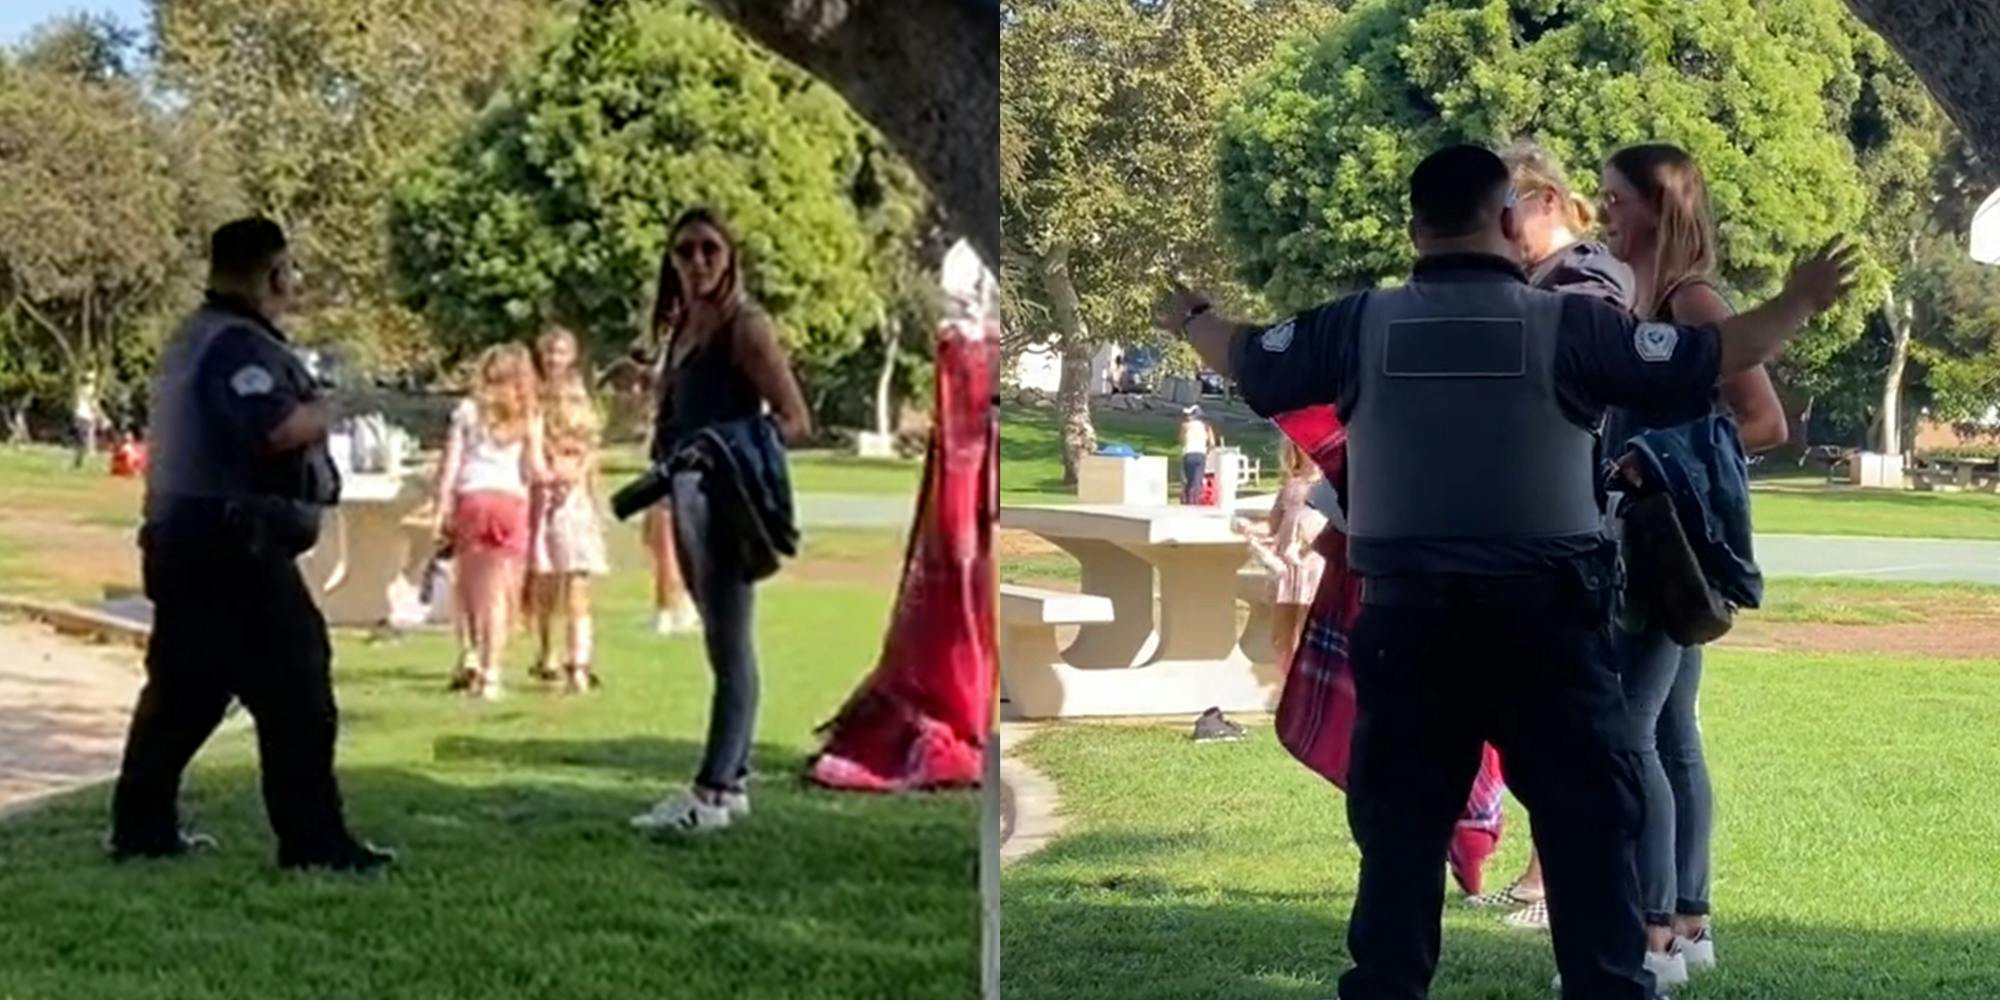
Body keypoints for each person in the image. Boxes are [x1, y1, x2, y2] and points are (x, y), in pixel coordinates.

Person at [1159, 144, 1858, 999]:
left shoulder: (1356, 326)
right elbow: (1707, 355)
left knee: (1401, 843)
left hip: (1408, 626)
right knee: (1587, 835)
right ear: (1502, 221)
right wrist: (1800, 300)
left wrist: (1190, 313)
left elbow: (1247, 351)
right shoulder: (1568, 326)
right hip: (1548, 628)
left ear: (1414, 230)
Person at [108, 217, 392, 874]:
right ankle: (315, 843)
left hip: (185, 543)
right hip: (235, 549)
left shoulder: (194, 337)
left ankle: (142, 827)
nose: (294, 283)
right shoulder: (238, 346)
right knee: (297, 688)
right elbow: (275, 429)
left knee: (187, 692)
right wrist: (333, 407)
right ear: (271, 272)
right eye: (289, 270)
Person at [1594, 142, 1790, 977]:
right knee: (1671, 731)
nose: (1603, 212)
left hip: (1669, 543)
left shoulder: (1692, 301)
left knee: (1630, 732)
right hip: (1643, 537)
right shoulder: (1631, 296)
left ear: (1658, 207)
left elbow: (1763, 421)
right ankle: (1691, 920)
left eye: (1615, 199)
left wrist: (1659, 460)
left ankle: (1652, 933)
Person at [1462, 140, 1647, 924]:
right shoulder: (1542, 281)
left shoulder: (1586, 281)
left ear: (1543, 203)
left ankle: (1568, 890)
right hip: (1534, 525)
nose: (1500, 230)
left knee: (1578, 730)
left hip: (1575, 530)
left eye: (1509, 211)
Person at [628, 208, 811, 835]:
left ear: (730, 255)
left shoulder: (745, 325)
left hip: (725, 500)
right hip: (683, 496)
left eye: (710, 249)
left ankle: (710, 794)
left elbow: (793, 419)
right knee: (718, 641)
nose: (698, 262)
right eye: (685, 251)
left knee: (731, 645)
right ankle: (729, 784)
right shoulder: (683, 326)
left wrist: (723, 444)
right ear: (671, 260)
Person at [434, 343, 544, 700]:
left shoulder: (467, 411)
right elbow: (533, 468)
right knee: (499, 593)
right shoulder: (529, 414)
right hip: (510, 500)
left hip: (473, 497)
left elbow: (452, 463)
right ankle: (492, 672)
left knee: (468, 585)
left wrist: (441, 505)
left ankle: (469, 654)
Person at [527, 327, 610, 693]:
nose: (554, 359)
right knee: (545, 582)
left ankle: (578, 660)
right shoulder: (534, 398)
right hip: (544, 497)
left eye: (560, 352)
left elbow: (591, 450)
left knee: (577, 582)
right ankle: (548, 652)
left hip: (573, 499)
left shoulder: (578, 399)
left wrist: (591, 492)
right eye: (549, 352)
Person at [1234, 438, 1326, 674]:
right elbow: (1273, 526)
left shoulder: (1330, 485)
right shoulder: (1291, 486)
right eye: (1301, 444)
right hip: (1286, 570)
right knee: (1280, 636)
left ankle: (1305, 684)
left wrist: (1309, 538)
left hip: (1312, 566)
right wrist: (1249, 528)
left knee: (1309, 633)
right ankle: (1287, 682)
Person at [1178, 405, 1216, 504]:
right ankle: (1195, 502)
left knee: (1189, 481)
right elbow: (1212, 443)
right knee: (1197, 481)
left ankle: (1189, 502)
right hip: (1200, 454)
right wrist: (1206, 450)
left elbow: (1181, 441)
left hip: (1188, 453)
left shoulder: (1185, 425)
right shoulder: (1206, 426)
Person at [72, 370, 102, 469]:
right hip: (85, 416)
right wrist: (100, 416)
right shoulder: (90, 390)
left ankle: (79, 460)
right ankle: (80, 459)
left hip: (81, 415)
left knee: (82, 439)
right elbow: (93, 404)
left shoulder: (82, 389)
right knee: (83, 439)